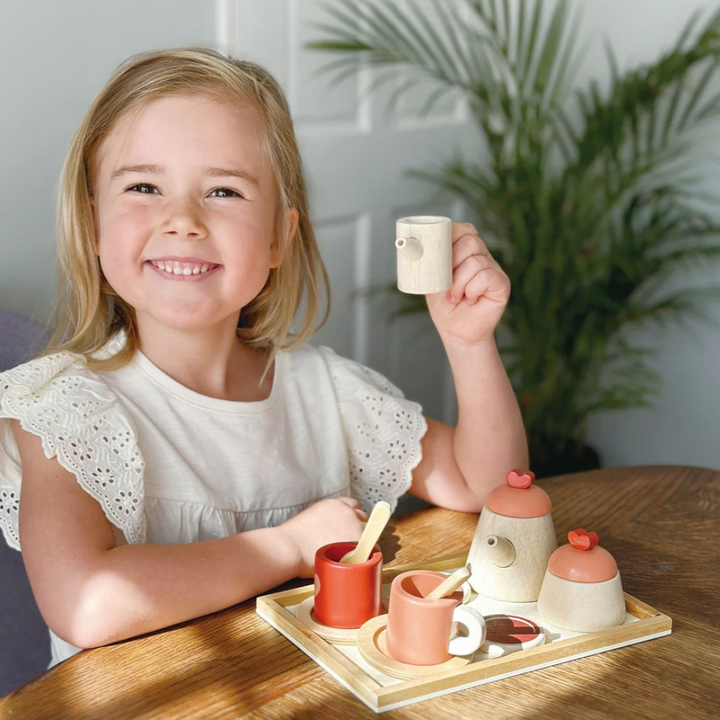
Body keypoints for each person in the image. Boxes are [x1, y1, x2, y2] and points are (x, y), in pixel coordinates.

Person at [0, 48, 527, 667]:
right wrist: (289, 546)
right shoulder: (63, 411)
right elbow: (85, 602)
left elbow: (491, 489)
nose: (182, 220)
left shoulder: (328, 393)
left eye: (223, 190)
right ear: (93, 226)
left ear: (280, 236)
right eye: (144, 186)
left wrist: (469, 343)